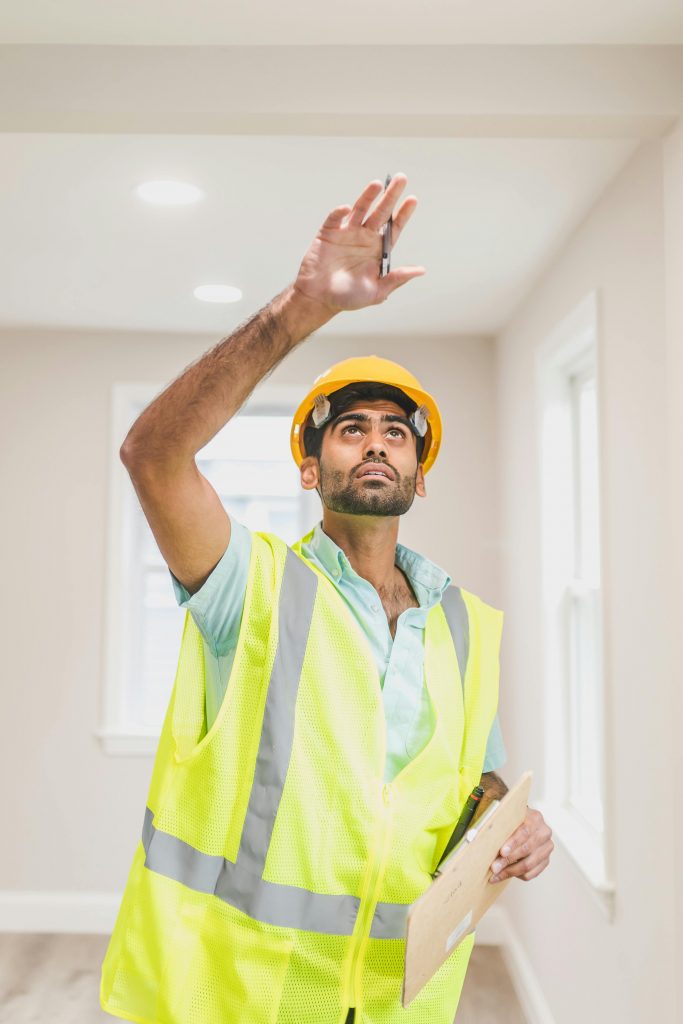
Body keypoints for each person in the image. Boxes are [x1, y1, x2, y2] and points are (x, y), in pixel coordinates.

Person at [100, 173, 554, 1024]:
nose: (376, 444)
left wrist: (521, 832)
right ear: (310, 469)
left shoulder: (466, 623)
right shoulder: (251, 585)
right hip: (240, 995)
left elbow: (480, 787)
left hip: (398, 1001)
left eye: (395, 432)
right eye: (350, 429)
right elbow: (153, 456)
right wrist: (303, 307)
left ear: (420, 479)